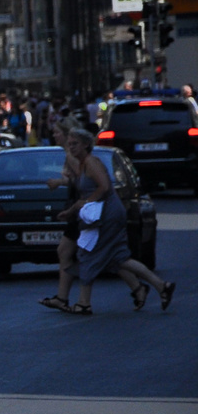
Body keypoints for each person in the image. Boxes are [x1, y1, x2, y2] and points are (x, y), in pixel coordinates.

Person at [39, 128, 175, 314]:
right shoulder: (80, 164)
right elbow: (83, 188)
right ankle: (161, 286)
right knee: (118, 257)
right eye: (69, 144)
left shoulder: (91, 162)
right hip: (99, 214)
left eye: (75, 144)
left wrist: (83, 204)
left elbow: (104, 187)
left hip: (106, 215)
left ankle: (83, 303)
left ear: (86, 145)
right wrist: (70, 208)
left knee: (88, 254)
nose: (71, 148)